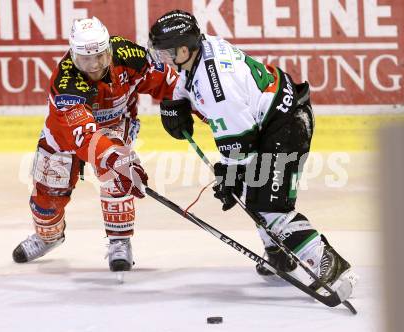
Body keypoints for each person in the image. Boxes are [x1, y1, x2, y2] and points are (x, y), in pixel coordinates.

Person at [148, 10, 358, 292]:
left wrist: (229, 174)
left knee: (268, 204)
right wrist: (178, 101)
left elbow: (240, 142)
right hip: (274, 117)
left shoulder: (216, 87)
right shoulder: (202, 48)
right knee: (253, 188)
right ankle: (279, 254)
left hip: (286, 126)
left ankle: (328, 263)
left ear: (184, 49)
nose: (164, 58)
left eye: (166, 52)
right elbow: (193, 85)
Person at [12, 16, 178, 271]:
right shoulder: (66, 82)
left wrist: (182, 106)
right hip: (65, 137)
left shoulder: (129, 55)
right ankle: (48, 237)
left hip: (113, 127)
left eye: (100, 55)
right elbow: (85, 136)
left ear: (109, 49)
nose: (95, 64)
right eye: (86, 59)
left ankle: (119, 242)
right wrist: (114, 157)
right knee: (47, 197)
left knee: (116, 176)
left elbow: (167, 82)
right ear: (73, 55)